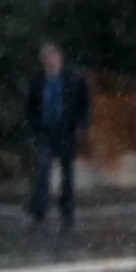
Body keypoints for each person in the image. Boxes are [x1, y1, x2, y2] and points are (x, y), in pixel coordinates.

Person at [26, 42, 92, 230]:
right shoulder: (38, 80)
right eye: (46, 59)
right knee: (43, 167)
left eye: (53, 58)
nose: (51, 62)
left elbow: (84, 104)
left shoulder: (74, 78)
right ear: (42, 61)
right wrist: (34, 126)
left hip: (66, 130)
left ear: (60, 58)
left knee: (67, 171)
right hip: (45, 131)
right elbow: (31, 106)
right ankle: (39, 209)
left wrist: (81, 126)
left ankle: (67, 209)